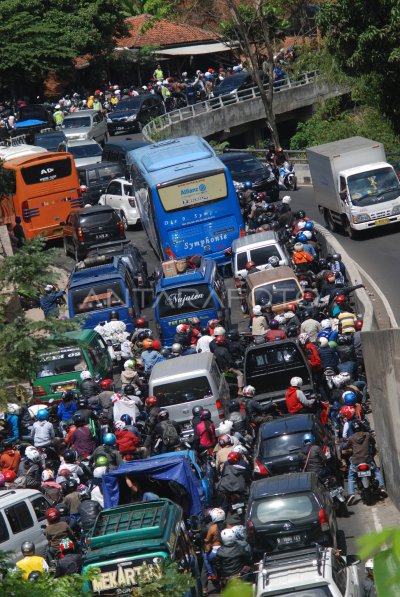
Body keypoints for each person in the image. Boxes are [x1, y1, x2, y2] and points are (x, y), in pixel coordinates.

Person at [342, 420, 387, 505]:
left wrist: (345, 444)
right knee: (376, 471)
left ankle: (351, 493)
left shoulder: (351, 438)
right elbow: (373, 442)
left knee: (351, 477)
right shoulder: (367, 435)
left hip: (356, 461)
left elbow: (344, 446)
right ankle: (382, 487)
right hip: (367, 460)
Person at [203, 508, 226, 581]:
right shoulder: (228, 525)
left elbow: (207, 540)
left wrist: (205, 540)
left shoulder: (212, 527)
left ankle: (212, 574)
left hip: (215, 553)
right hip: (225, 550)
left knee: (205, 557)